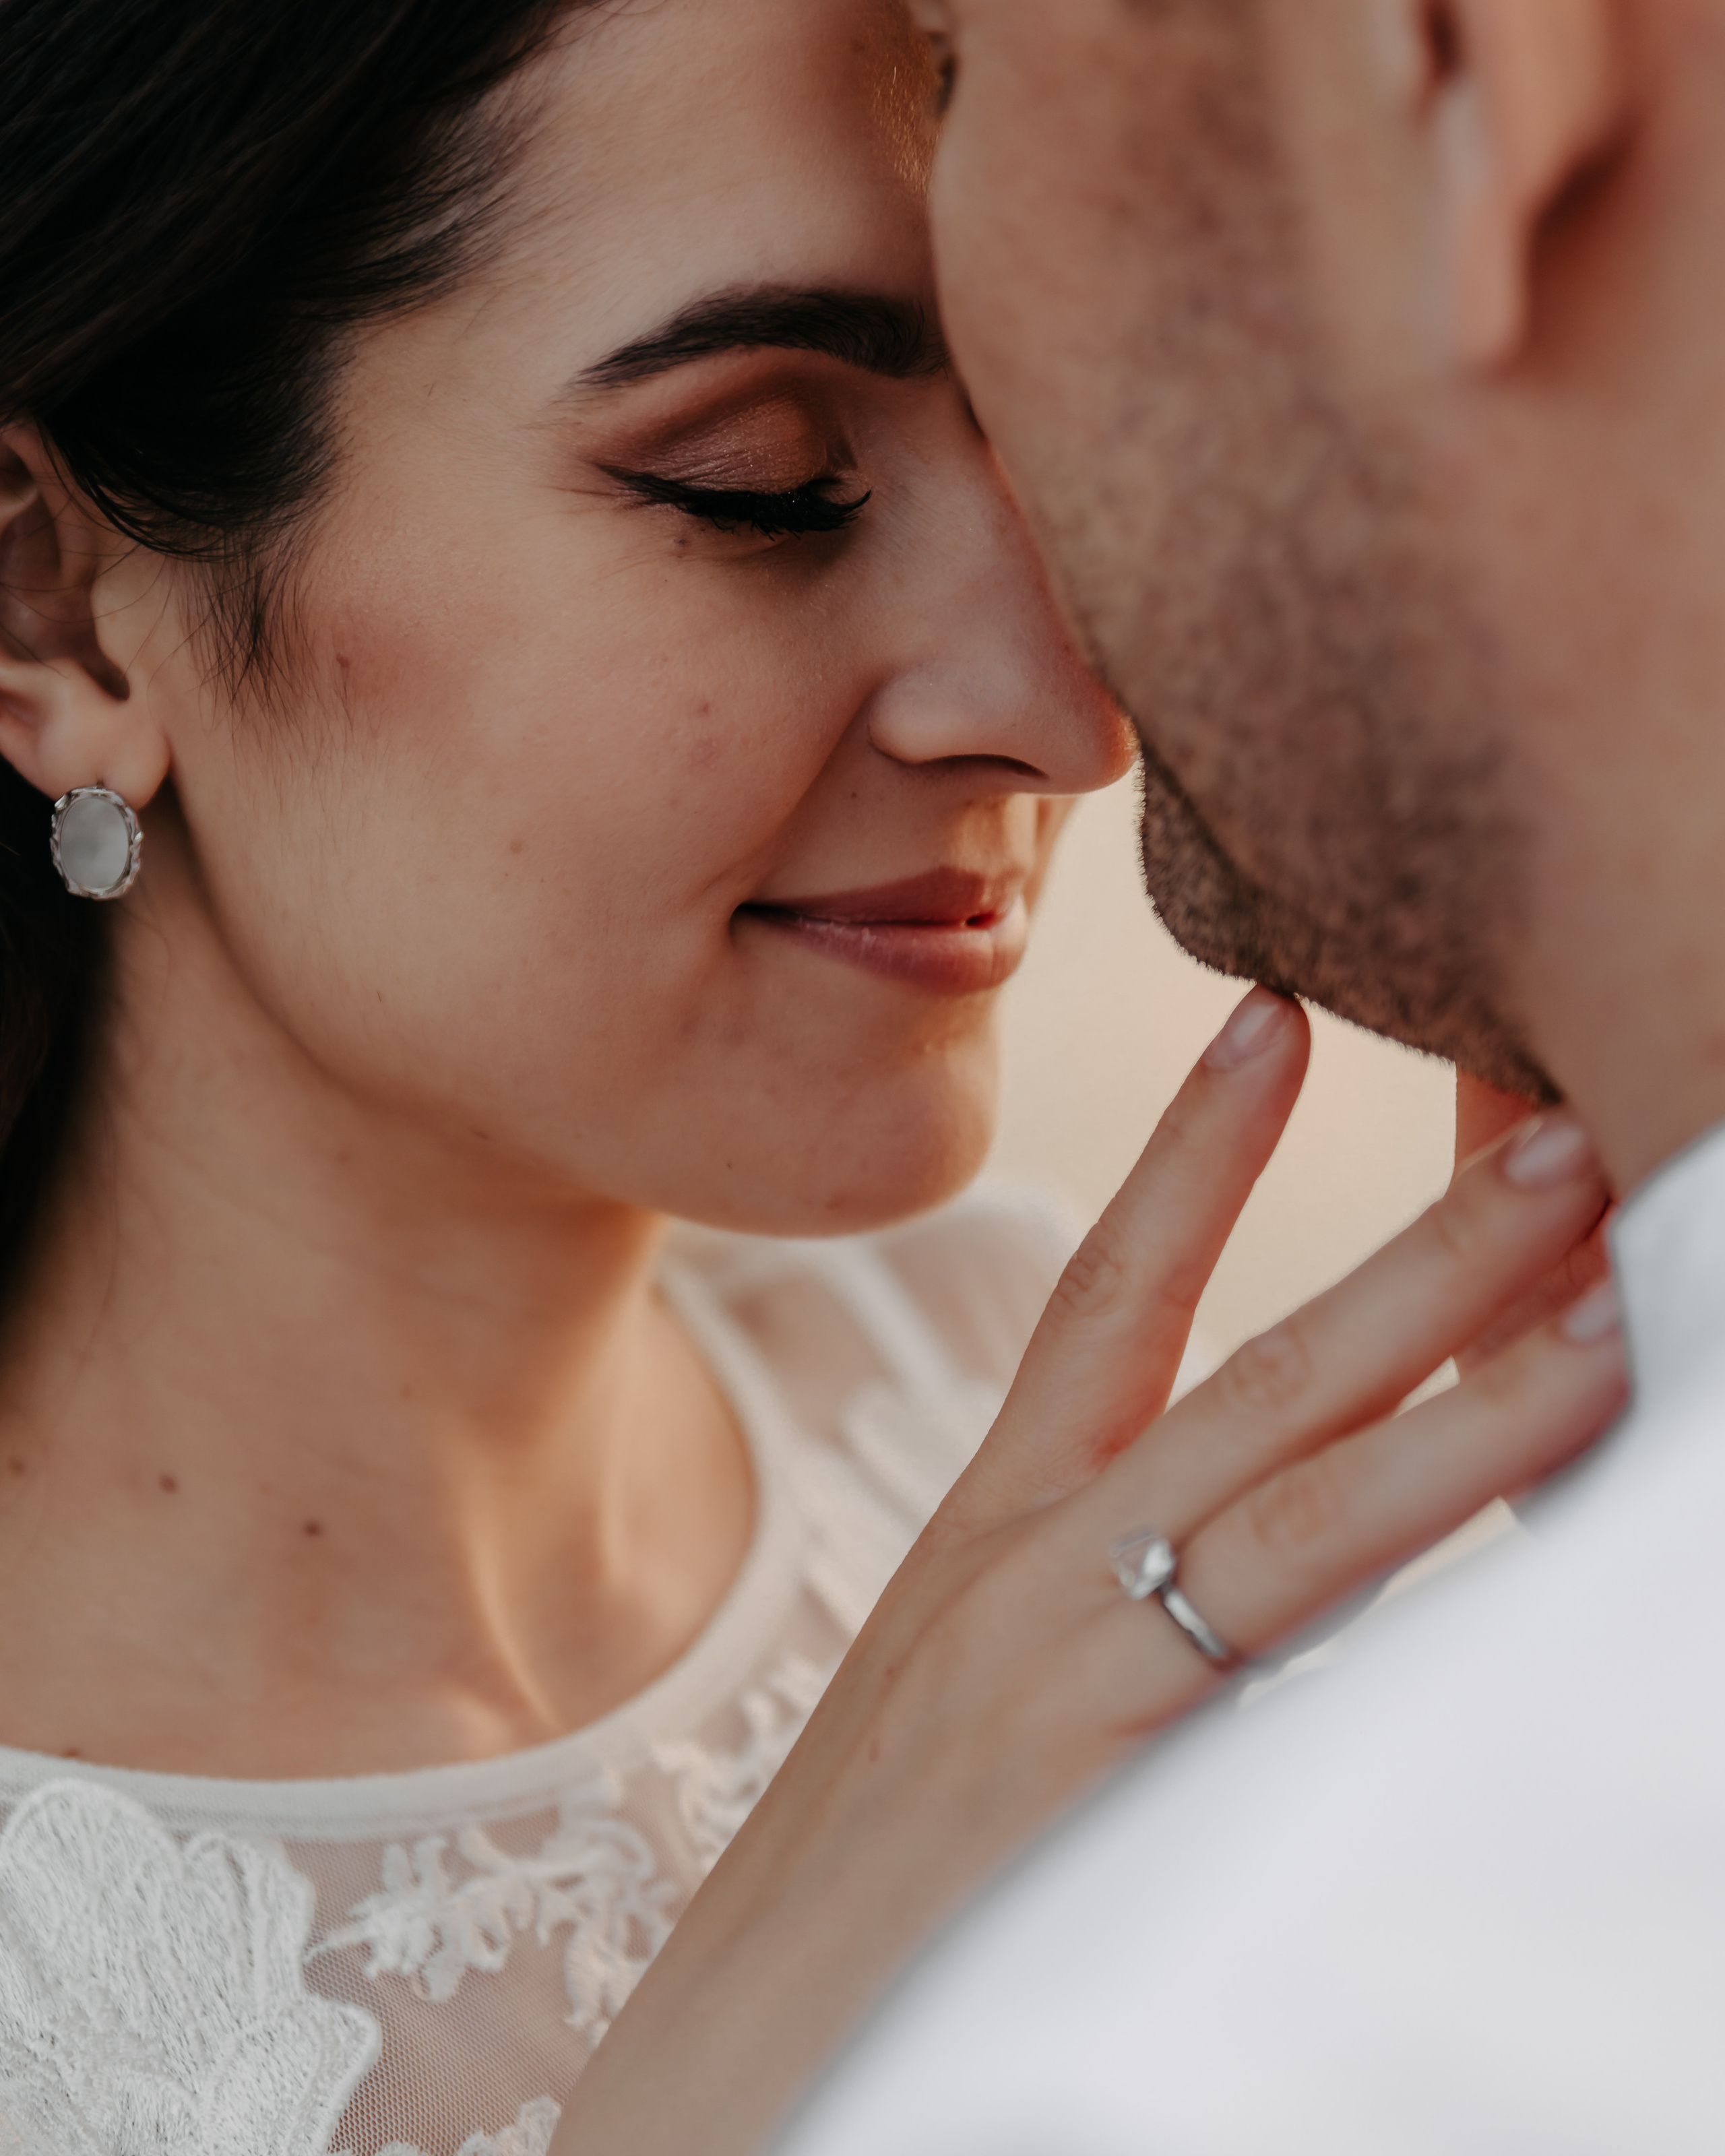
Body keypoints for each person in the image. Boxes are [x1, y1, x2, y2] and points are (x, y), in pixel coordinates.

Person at [0, 2, 1618, 2151]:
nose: (1068, 714)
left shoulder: (1013, 1423)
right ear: (62, 619)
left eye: (1044, 425)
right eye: (766, 489)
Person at [770, 1, 1725, 2150]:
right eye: (768, 489)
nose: (1065, 718)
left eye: (975, 68)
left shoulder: (1218, 2063)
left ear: (1460, 74)